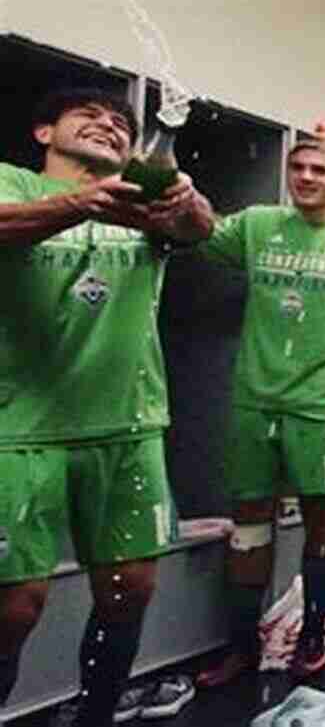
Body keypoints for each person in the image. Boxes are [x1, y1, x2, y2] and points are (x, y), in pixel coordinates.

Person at [0, 88, 215, 725]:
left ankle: (97, 715)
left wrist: (187, 200)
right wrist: (79, 204)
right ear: (44, 132)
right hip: (19, 422)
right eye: (87, 116)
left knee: (130, 589)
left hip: (128, 420)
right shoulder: (14, 182)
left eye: (121, 123)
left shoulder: (143, 191)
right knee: (15, 604)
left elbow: (198, 229)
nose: (108, 126)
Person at [196, 124, 325, 683]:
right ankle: (241, 644)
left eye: (320, 170)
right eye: (298, 168)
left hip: (323, 403)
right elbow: (197, 230)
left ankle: (313, 630)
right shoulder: (259, 225)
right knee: (250, 520)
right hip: (256, 399)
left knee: (322, 513)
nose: (306, 177)